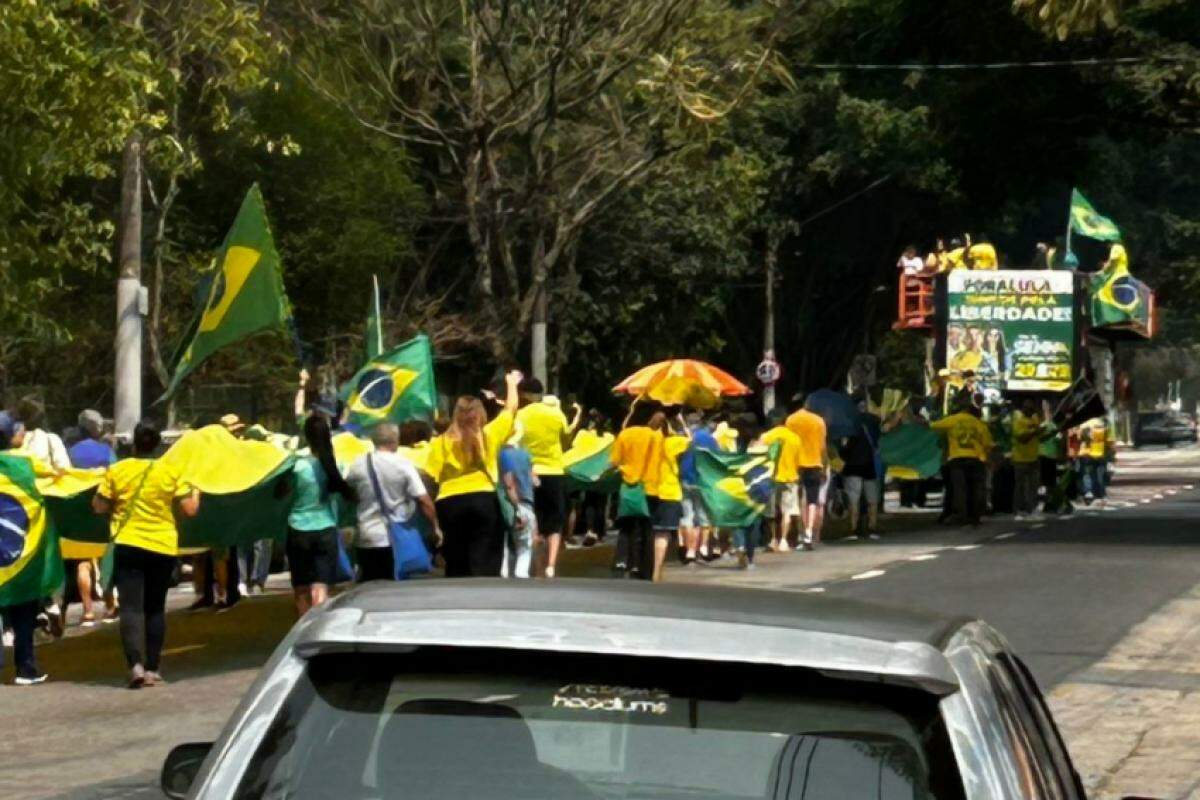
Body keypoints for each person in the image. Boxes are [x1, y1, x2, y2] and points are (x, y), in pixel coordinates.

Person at [92, 420, 200, 688]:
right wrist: (196, 491)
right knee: (155, 608)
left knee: (130, 608)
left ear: (134, 443)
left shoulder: (118, 470)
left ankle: (135, 666)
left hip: (128, 545)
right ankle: (153, 668)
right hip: (162, 546)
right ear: (158, 444)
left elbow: (98, 506)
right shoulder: (171, 471)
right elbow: (189, 510)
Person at [424, 370, 522, 577]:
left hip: (448, 503)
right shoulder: (489, 435)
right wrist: (511, 383)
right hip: (483, 499)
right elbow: (511, 408)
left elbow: (430, 476)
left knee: (457, 560)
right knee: (485, 558)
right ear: (480, 414)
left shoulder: (440, 442)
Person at [345, 422, 438, 582]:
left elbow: (348, 491)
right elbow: (423, 499)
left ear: (373, 441)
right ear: (396, 440)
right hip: (395, 539)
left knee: (368, 586)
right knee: (392, 587)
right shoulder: (403, 464)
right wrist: (435, 526)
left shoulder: (358, 464)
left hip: (366, 536)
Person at [286, 414, 356, 616]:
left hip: (297, 529)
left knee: (301, 588)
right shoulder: (336, 465)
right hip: (325, 529)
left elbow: (280, 494)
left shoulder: (295, 465)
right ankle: (316, 629)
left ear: (306, 436)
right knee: (320, 587)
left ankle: (301, 629)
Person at [516, 378, 582, 579]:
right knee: (555, 523)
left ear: (523, 394)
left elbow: (516, 442)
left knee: (534, 520)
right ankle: (551, 566)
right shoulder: (556, 413)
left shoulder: (520, 415)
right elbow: (566, 439)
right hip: (555, 471)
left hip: (530, 472)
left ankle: (537, 566)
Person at [0, 411, 48, 685]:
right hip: (20, 555)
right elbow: (58, 477)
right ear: (10, 436)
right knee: (24, 612)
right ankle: (25, 667)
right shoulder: (26, 463)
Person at [63, 409, 117, 627]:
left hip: (79, 511)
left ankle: (87, 611)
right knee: (106, 558)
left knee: (83, 563)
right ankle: (110, 606)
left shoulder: (71, 452)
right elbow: (115, 475)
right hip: (103, 508)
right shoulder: (106, 451)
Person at [609, 401, 664, 578]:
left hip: (630, 487)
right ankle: (642, 566)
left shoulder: (625, 435)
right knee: (647, 528)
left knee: (626, 526)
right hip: (651, 487)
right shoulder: (656, 436)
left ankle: (623, 561)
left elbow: (615, 461)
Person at [930, 401, 993, 525]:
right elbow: (987, 443)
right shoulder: (978, 423)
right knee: (976, 489)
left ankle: (960, 515)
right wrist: (988, 459)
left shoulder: (952, 420)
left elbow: (933, 427)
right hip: (976, 459)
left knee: (960, 489)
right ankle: (975, 516)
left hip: (957, 459)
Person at [649, 413, 690, 582]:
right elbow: (691, 441)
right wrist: (682, 423)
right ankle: (657, 570)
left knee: (651, 532)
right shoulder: (672, 442)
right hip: (669, 491)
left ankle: (647, 567)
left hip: (649, 490)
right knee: (662, 534)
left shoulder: (648, 441)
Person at [786, 395, 829, 550]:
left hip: (796, 465)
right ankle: (809, 533)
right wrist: (824, 466)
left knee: (798, 500)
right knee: (812, 501)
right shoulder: (819, 421)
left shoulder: (790, 420)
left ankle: (798, 533)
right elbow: (823, 447)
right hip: (814, 464)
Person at [498, 427, 537, 579]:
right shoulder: (526, 455)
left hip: (505, 503)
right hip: (525, 501)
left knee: (504, 544)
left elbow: (508, 484)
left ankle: (503, 573)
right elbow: (534, 479)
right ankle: (521, 575)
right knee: (524, 546)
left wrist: (515, 505)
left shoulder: (500, 455)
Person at [760, 410, 802, 551]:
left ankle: (772, 539)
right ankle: (784, 540)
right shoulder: (795, 438)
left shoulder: (766, 437)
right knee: (786, 511)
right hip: (790, 478)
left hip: (770, 478)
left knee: (771, 511)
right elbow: (798, 461)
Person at [840, 400, 882, 538]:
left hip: (853, 466)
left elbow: (845, 447)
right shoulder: (875, 420)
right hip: (870, 465)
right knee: (872, 500)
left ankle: (853, 530)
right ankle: (872, 529)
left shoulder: (849, 422)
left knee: (854, 500)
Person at [681, 412, 718, 561]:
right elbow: (716, 459)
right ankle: (702, 547)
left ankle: (689, 550)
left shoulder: (683, 438)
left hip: (685, 480)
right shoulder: (710, 439)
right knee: (703, 516)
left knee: (687, 517)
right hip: (703, 481)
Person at [1011, 400, 1043, 520]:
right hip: (1020, 458)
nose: (1030, 411)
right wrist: (1035, 432)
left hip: (1033, 457)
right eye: (1028, 409)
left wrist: (1043, 431)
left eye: (1031, 409)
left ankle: (1032, 510)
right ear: (1023, 409)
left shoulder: (1035, 419)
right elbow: (1021, 438)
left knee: (1033, 486)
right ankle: (1018, 511)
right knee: (1019, 486)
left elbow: (1039, 436)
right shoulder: (1018, 419)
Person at [1079, 417, 1109, 507]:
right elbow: (1108, 441)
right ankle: (1101, 493)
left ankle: (1089, 492)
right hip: (1099, 453)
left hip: (1087, 454)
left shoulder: (1084, 425)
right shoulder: (1102, 424)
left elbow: (1080, 438)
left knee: (1087, 474)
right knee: (1099, 475)